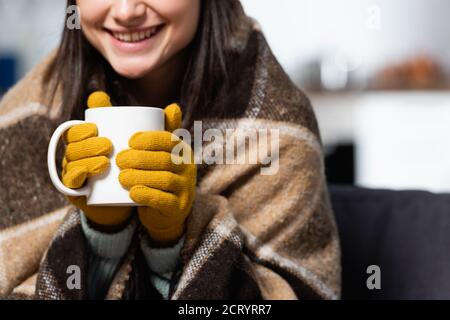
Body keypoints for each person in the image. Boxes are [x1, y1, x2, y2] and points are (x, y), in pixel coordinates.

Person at [0, 0, 341, 300]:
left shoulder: (276, 127)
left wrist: (174, 241)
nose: (126, 11)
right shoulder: (25, 118)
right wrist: (102, 234)